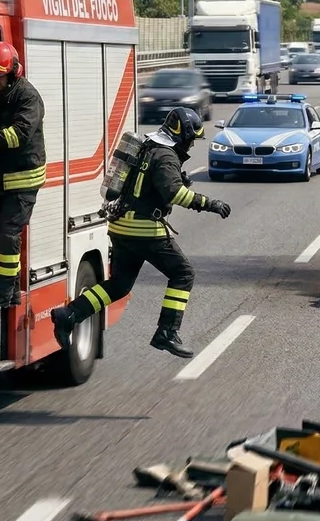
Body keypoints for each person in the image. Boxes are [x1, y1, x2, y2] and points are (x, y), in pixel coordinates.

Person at [49, 107, 231, 359]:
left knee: (119, 285)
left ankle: (69, 314)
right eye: (191, 140)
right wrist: (210, 203)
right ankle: (167, 332)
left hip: (121, 227)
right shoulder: (166, 155)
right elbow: (175, 193)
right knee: (183, 274)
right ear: (183, 134)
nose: (190, 146)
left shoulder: (147, 146)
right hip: (144, 230)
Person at [0, 41, 45, 309]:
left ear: (13, 72)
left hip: (24, 177)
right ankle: (13, 289)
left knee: (7, 232)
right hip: (2, 177)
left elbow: (19, 134)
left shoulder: (28, 97)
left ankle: (4, 290)